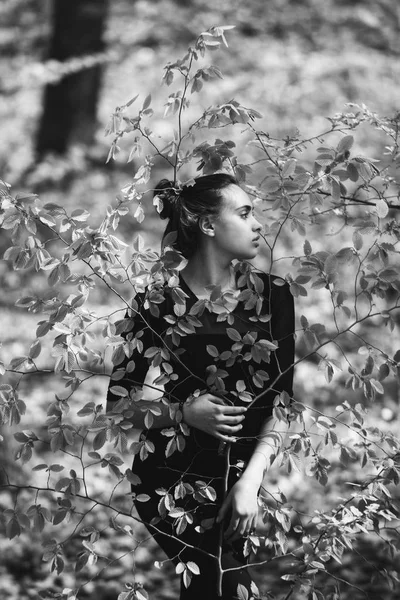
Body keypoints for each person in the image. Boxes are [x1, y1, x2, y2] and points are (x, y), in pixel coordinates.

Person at [106, 173, 295, 599]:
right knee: (223, 586)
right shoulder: (156, 301)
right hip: (168, 477)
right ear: (208, 225)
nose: (258, 224)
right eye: (244, 214)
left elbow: (283, 402)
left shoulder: (272, 295)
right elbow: (118, 405)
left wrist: (250, 481)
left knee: (215, 590)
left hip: (240, 475)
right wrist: (183, 413)